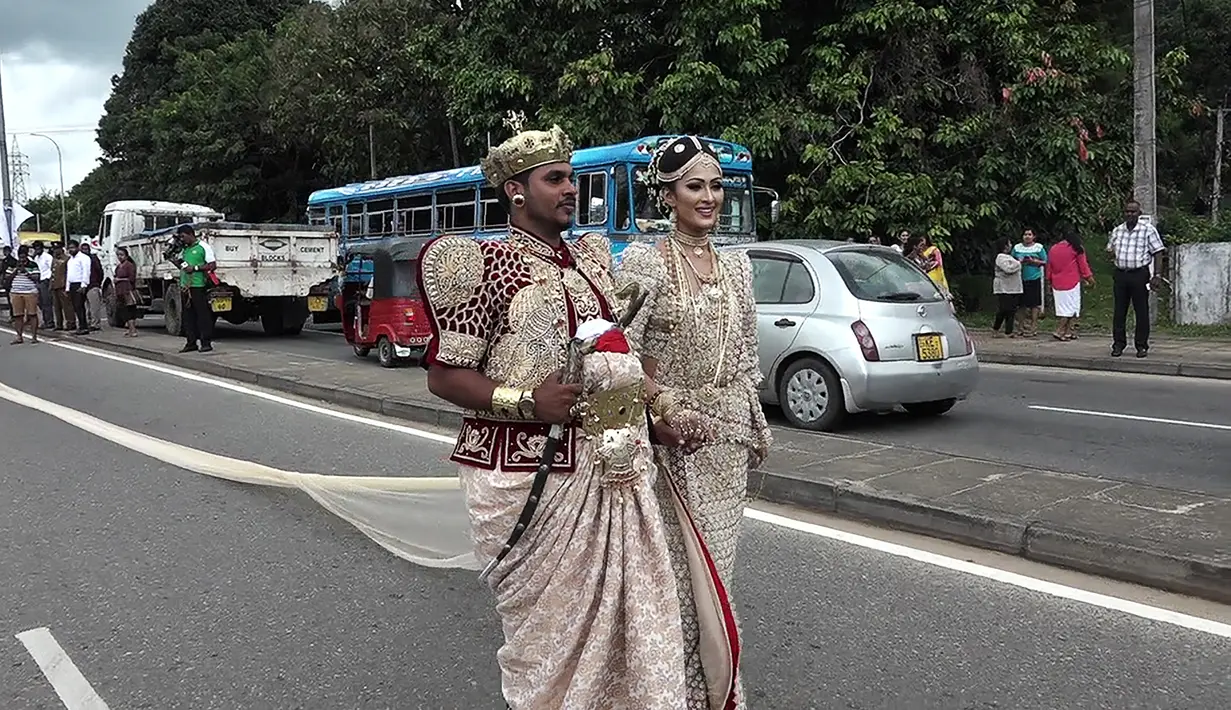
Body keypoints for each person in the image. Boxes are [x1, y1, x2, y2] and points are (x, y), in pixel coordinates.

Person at [415, 119, 687, 709]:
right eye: (555, 179)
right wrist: (526, 403)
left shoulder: (591, 261)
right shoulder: (480, 265)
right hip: (527, 474)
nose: (570, 189)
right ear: (516, 189)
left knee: (636, 617)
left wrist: (653, 416)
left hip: (614, 467)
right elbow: (443, 375)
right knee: (548, 635)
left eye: (571, 178)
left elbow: (618, 356)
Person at [617, 135, 771, 710]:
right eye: (694, 187)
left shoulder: (737, 266)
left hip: (726, 445)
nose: (709, 197)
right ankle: (679, 694)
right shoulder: (644, 260)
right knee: (683, 582)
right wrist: (664, 411)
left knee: (718, 577)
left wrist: (749, 421)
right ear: (668, 195)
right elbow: (618, 355)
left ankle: (716, 691)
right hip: (674, 446)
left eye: (715, 186)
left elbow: (748, 359)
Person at [1107, 199, 1165, 358]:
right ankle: (1118, 344)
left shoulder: (1148, 230)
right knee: (1119, 311)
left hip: (1139, 274)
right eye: (1127, 211)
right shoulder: (1117, 230)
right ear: (1124, 213)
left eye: (1133, 212)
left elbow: (1158, 252)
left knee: (1141, 311)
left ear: (1139, 214)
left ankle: (1141, 345)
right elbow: (1110, 249)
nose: (1130, 214)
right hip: (1121, 274)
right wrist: (1111, 253)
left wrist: (1157, 275)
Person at [1046, 225, 1095, 341]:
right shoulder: (1077, 248)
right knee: (1070, 308)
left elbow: (1049, 266)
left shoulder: (1054, 248)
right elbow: (1083, 266)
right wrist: (1090, 279)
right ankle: (1060, 330)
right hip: (1072, 281)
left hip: (1057, 282)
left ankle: (1068, 331)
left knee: (1064, 307)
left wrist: (1049, 280)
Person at [173, 225, 216, 353]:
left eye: (183, 236)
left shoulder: (203, 247)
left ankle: (206, 342)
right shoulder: (184, 250)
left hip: (198, 285)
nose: (182, 239)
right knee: (187, 316)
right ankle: (191, 342)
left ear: (190, 234)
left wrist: (195, 268)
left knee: (202, 315)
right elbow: (182, 266)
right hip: (185, 286)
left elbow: (212, 265)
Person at [1012, 229, 1047, 337]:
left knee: (1034, 304)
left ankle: (1033, 327)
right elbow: (1011, 260)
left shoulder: (1039, 247)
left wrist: (1034, 262)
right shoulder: (1017, 248)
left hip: (1034, 278)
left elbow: (1045, 261)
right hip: (1020, 278)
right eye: (1025, 234)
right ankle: (1020, 327)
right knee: (1021, 304)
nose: (1027, 236)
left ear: (1034, 236)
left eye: (1029, 234)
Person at [5, 245, 42, 344]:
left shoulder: (33, 265)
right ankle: (19, 336)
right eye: (20, 257)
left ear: (26, 256)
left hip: (30, 292)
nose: (22, 260)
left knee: (32, 314)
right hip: (16, 292)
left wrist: (26, 271)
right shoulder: (13, 265)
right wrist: (16, 270)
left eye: (24, 257)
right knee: (18, 316)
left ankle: (34, 337)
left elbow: (37, 278)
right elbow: (7, 278)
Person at [992, 238, 1023, 338]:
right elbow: (1008, 269)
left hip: (1013, 288)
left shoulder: (1009, 257)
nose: (1011, 245)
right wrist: (1019, 263)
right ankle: (996, 328)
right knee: (1004, 309)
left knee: (1012, 310)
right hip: (1004, 287)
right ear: (1005, 246)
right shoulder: (1000, 257)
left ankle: (1009, 331)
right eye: (1009, 243)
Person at [66, 241, 91, 336]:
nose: (71, 250)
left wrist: (84, 285)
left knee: (80, 306)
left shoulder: (84, 258)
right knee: (76, 307)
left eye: (72, 247)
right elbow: (69, 274)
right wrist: (67, 287)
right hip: (72, 284)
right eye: (69, 248)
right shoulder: (70, 260)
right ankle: (80, 326)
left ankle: (83, 327)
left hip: (79, 284)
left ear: (77, 248)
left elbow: (86, 272)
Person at [114, 247, 139, 337]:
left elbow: (131, 278)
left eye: (121, 255)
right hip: (120, 291)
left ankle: (133, 330)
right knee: (124, 311)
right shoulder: (118, 266)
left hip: (127, 291)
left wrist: (120, 279)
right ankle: (129, 329)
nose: (120, 257)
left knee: (129, 311)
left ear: (126, 256)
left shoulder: (129, 265)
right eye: (118, 255)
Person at [81, 242, 105, 330]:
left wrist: (97, 283)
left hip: (93, 284)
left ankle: (95, 324)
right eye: (83, 249)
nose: (84, 251)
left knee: (94, 306)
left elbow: (99, 271)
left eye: (86, 249)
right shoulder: (80, 259)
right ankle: (89, 322)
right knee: (87, 307)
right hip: (84, 285)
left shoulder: (93, 259)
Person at [31, 240, 54, 328]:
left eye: (38, 248)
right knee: (40, 303)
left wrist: (50, 281)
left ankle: (50, 321)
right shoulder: (36, 258)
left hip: (45, 280)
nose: (37, 249)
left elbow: (51, 269)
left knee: (47, 302)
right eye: (35, 248)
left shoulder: (48, 257)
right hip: (38, 281)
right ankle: (45, 320)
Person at [50, 245, 73, 331]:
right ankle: (59, 324)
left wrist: (67, 286)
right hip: (55, 285)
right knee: (56, 306)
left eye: (57, 249)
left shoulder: (67, 259)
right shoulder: (54, 259)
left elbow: (68, 273)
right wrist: (51, 285)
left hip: (62, 285)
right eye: (54, 249)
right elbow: (52, 273)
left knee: (67, 306)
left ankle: (70, 322)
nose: (55, 251)